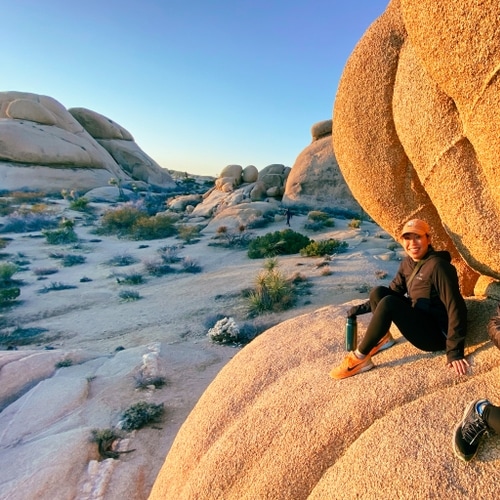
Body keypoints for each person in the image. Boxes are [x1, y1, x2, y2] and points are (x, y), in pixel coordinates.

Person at [330, 218, 469, 379]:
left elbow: (456, 307)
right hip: (421, 318)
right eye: (407, 238)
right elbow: (392, 292)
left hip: (437, 334)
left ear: (428, 239)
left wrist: (455, 352)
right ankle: (382, 339)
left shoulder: (438, 267)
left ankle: (360, 358)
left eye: (418, 237)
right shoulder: (408, 263)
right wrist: (358, 310)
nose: (413, 243)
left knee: (389, 303)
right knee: (378, 292)